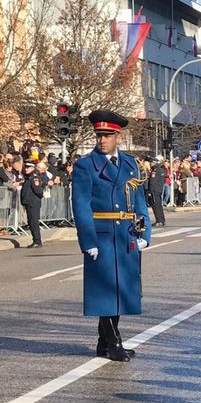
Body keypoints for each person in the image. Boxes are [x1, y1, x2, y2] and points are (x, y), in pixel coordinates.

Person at [71, 110, 151, 362]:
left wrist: (145, 232)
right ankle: (114, 342)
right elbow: (81, 205)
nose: (101, 140)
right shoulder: (86, 165)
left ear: (118, 136)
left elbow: (139, 201)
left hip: (125, 234)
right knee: (104, 291)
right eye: (98, 135)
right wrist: (88, 240)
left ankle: (102, 342)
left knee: (120, 291)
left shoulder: (130, 164)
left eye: (107, 136)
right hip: (102, 234)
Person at [20, 158, 45, 248]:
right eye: (25, 167)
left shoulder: (33, 177)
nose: (26, 169)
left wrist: (41, 194)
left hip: (33, 202)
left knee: (34, 222)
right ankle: (35, 240)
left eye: (28, 167)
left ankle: (37, 241)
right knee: (31, 222)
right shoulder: (29, 177)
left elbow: (37, 189)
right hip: (29, 202)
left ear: (32, 168)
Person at [147, 157, 167, 226]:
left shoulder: (155, 171)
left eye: (151, 162)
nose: (150, 164)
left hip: (154, 191)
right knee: (159, 205)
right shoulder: (161, 169)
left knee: (156, 206)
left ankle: (159, 220)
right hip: (159, 190)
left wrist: (150, 191)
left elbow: (152, 182)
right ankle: (162, 219)